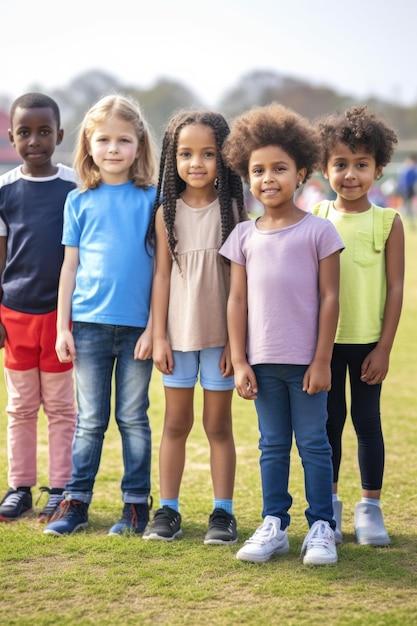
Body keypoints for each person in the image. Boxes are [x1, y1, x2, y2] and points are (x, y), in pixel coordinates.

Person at [219, 102, 344, 566]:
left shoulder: (320, 232)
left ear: (303, 172)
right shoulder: (242, 237)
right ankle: (274, 524)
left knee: (313, 443)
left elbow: (330, 298)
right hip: (262, 363)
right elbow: (237, 301)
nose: (268, 178)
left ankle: (321, 527)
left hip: (307, 362)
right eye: (258, 170)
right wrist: (241, 359)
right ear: (246, 176)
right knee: (271, 444)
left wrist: (322, 359)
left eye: (279, 168)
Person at [43, 94, 157, 536]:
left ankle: (134, 507)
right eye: (104, 139)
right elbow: (69, 267)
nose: (113, 149)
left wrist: (154, 327)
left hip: (137, 330)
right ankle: (75, 503)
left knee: (133, 418)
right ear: (89, 144)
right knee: (90, 420)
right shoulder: (79, 201)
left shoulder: (152, 198)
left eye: (123, 140)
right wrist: (61, 327)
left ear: (138, 144)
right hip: (87, 325)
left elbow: (161, 268)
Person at [143, 110, 246, 544]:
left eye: (208, 153)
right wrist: (159, 334)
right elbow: (162, 275)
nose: (197, 163)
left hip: (221, 340)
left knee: (218, 426)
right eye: (186, 154)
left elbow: (242, 283)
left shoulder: (237, 210)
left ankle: (222, 514)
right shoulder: (166, 211)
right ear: (173, 158)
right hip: (178, 338)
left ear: (224, 157)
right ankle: (168, 510)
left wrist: (237, 346)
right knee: (175, 423)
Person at [312, 105, 404, 546]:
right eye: (341, 164)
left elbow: (398, 288)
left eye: (361, 164)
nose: (351, 174)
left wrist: (385, 347)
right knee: (329, 424)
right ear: (324, 168)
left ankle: (370, 509)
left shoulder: (388, 222)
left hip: (369, 345)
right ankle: (327, 509)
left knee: (368, 422)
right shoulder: (317, 216)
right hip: (324, 348)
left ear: (379, 168)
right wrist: (316, 352)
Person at [0, 93, 77, 523]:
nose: (34, 140)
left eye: (44, 132)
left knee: (63, 408)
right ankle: (20, 487)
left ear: (58, 135)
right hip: (15, 315)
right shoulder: (3, 191)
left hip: (60, 318)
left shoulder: (74, 188)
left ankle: (61, 488)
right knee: (21, 408)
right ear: (12, 137)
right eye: (25, 132)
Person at [397, 154, 417, 229]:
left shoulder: (411, 169)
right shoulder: (406, 169)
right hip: (406, 190)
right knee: (406, 207)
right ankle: (401, 221)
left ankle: (409, 223)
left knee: (408, 207)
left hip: (409, 190)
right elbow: (402, 182)